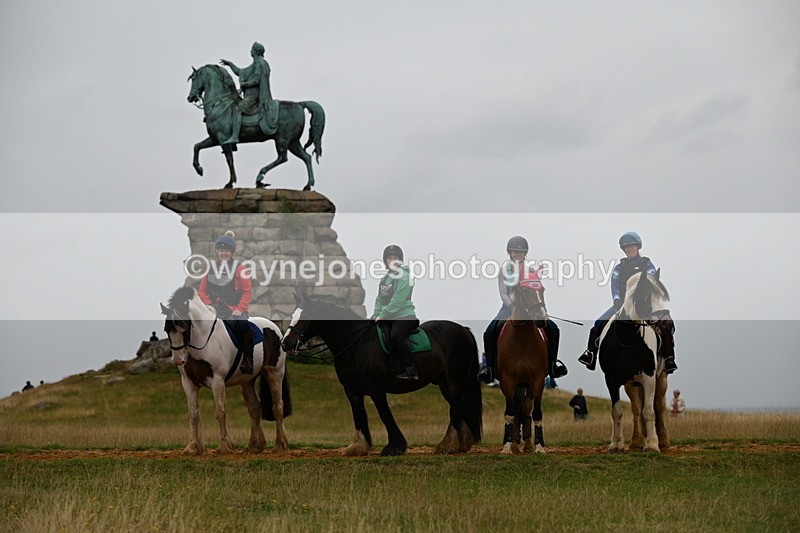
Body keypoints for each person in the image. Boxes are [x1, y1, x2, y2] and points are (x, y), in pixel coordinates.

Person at [578, 231, 677, 374]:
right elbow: (615, 285)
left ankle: (669, 358)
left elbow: (652, 279)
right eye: (627, 248)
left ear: (638, 247)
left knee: (666, 324)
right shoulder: (619, 268)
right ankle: (590, 354)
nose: (630, 249)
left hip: (645, 305)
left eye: (632, 247)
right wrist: (617, 299)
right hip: (623, 304)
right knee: (598, 323)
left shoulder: (646, 264)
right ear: (624, 250)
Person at [478, 236, 567, 384]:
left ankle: (552, 365)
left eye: (521, 252)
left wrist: (540, 309)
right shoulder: (504, 270)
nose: (518, 254)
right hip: (508, 308)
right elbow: (503, 293)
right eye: (514, 252)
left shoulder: (531, 270)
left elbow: (536, 291)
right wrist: (512, 306)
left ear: (525, 253)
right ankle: (489, 369)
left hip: (531, 309)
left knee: (553, 328)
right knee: (489, 331)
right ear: (510, 253)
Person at [198, 231, 255, 373]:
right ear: (217, 252)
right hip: (213, 308)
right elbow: (202, 291)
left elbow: (247, 292)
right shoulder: (209, 269)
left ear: (231, 253)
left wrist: (240, 309)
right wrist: (209, 304)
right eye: (221, 250)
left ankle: (248, 360)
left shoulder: (240, 269)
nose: (224, 253)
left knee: (243, 326)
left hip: (234, 308)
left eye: (227, 251)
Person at [371, 244, 419, 381]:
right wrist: (375, 315)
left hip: (404, 315)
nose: (392, 260)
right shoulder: (385, 279)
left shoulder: (404, 276)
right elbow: (379, 299)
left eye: (395, 257)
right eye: (389, 258)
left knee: (396, 337)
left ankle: (410, 368)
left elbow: (398, 300)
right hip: (387, 316)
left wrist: (382, 315)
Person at [220, 41, 278, 144]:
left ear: (255, 51)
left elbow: (257, 80)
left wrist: (244, 85)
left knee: (237, 109)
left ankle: (235, 136)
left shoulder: (260, 63)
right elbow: (240, 71)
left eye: (251, 49)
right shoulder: (255, 64)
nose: (250, 51)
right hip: (249, 96)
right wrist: (230, 64)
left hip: (254, 97)